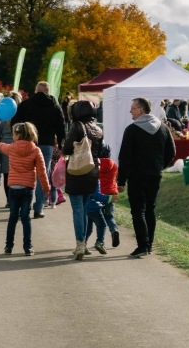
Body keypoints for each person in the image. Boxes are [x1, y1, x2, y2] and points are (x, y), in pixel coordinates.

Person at [117, 97, 175, 258]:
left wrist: (121, 180)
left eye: (133, 108)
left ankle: (143, 244)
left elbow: (125, 157)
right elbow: (171, 152)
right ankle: (148, 245)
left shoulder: (132, 130)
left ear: (141, 109)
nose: (130, 111)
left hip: (137, 174)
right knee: (150, 209)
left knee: (138, 211)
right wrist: (159, 166)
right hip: (154, 174)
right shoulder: (163, 128)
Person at [11, 81, 67, 218]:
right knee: (43, 175)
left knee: (25, 172)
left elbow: (15, 122)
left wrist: (18, 137)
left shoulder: (26, 104)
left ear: (36, 90)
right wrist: (61, 144)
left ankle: (24, 205)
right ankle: (39, 207)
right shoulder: (55, 106)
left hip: (28, 143)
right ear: (48, 91)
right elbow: (61, 127)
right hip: (47, 144)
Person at [0, 122, 50, 256]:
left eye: (14, 133)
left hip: (13, 187)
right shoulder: (36, 150)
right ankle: (28, 247)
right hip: (27, 188)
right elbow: (42, 171)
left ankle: (8, 246)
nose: (13, 136)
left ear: (18, 135)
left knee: (13, 217)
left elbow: (3, 147)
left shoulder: (12, 148)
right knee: (25, 218)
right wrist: (46, 187)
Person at [62, 100, 104, 260]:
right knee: (85, 208)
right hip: (92, 170)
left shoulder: (77, 126)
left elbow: (67, 149)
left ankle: (80, 243)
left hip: (76, 170)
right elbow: (99, 150)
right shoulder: (98, 129)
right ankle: (84, 244)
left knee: (77, 209)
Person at [85, 143, 120, 254]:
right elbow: (116, 177)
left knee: (90, 222)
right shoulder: (114, 165)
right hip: (110, 192)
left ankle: (84, 243)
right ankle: (114, 230)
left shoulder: (94, 166)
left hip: (97, 193)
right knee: (109, 216)